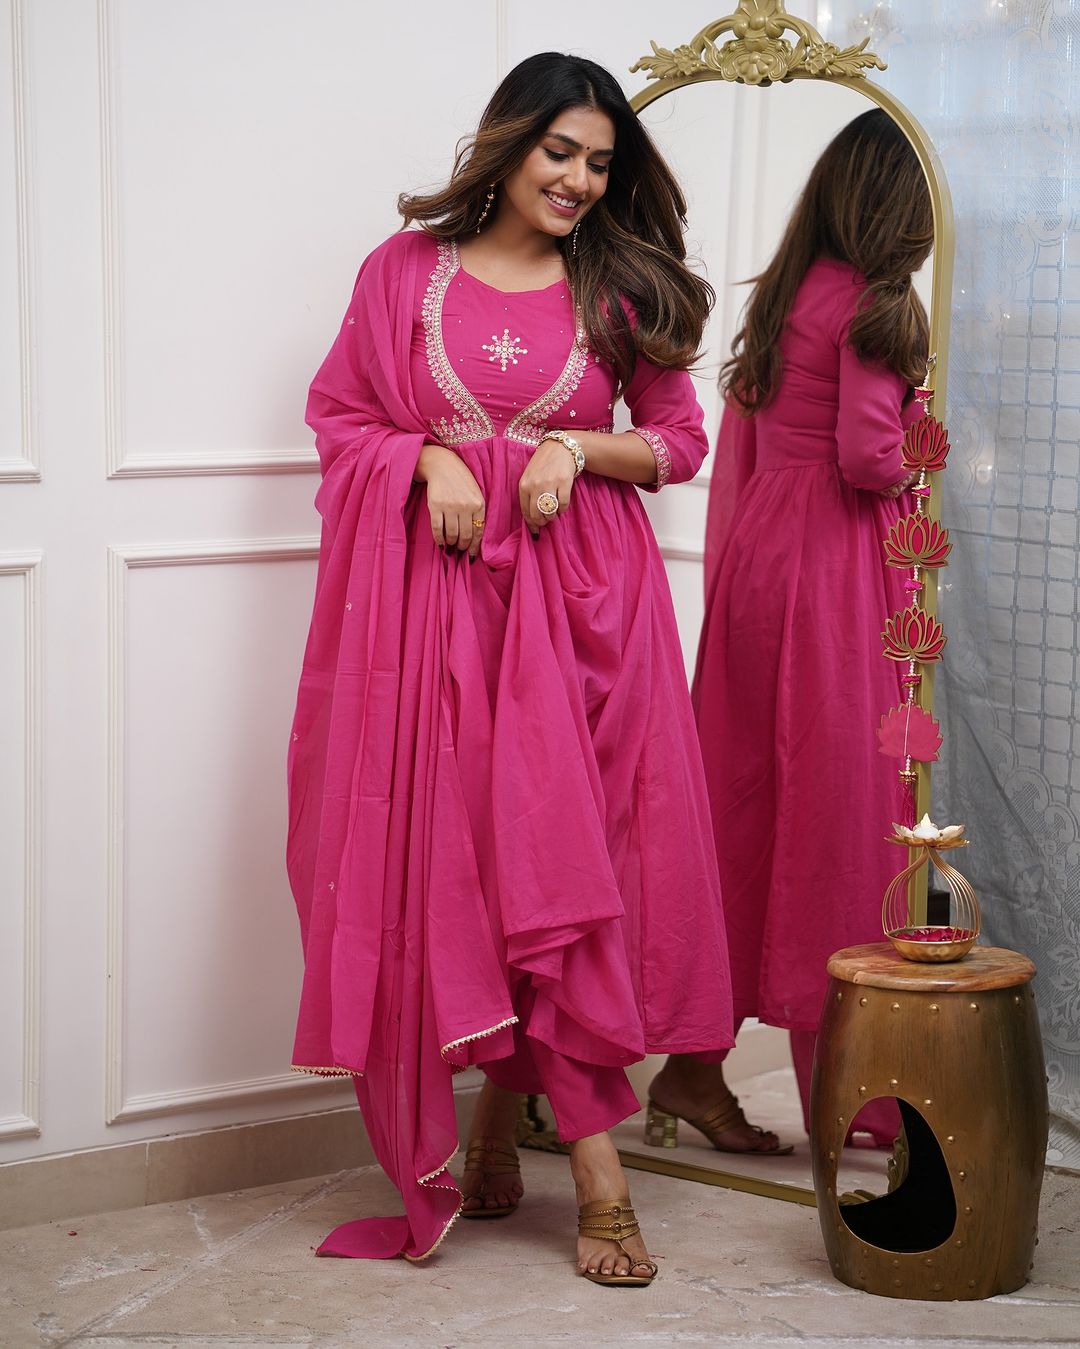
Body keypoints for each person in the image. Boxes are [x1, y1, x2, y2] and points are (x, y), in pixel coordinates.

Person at [286, 52, 734, 1283]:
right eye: (562, 153)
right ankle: (490, 1119)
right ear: (508, 142)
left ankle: (595, 1172)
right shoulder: (401, 274)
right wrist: (424, 462)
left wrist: (581, 447)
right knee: (468, 865)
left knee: (563, 869)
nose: (583, 180)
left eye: (602, 162)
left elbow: (682, 441)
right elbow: (340, 416)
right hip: (438, 612)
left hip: (589, 616)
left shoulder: (620, 284)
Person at [647, 109, 933, 1155]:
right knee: (836, 813)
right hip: (831, 570)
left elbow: (752, 450)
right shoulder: (872, 304)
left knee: (746, 804)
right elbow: (868, 457)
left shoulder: (786, 295)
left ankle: (691, 1062)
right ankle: (846, 1094)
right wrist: (927, 435)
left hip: (764, 562)